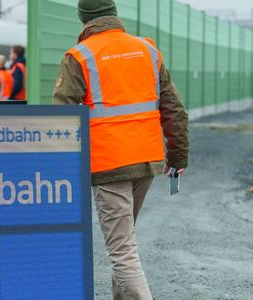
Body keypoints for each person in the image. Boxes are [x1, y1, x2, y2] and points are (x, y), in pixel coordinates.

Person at [52, 0, 190, 299]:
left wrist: (61, 171)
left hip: (108, 164)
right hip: (147, 160)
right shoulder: (147, 50)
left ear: (84, 20)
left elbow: (60, 118)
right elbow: (174, 108)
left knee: (122, 251)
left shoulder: (79, 56)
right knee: (124, 240)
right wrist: (178, 155)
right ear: (114, 14)